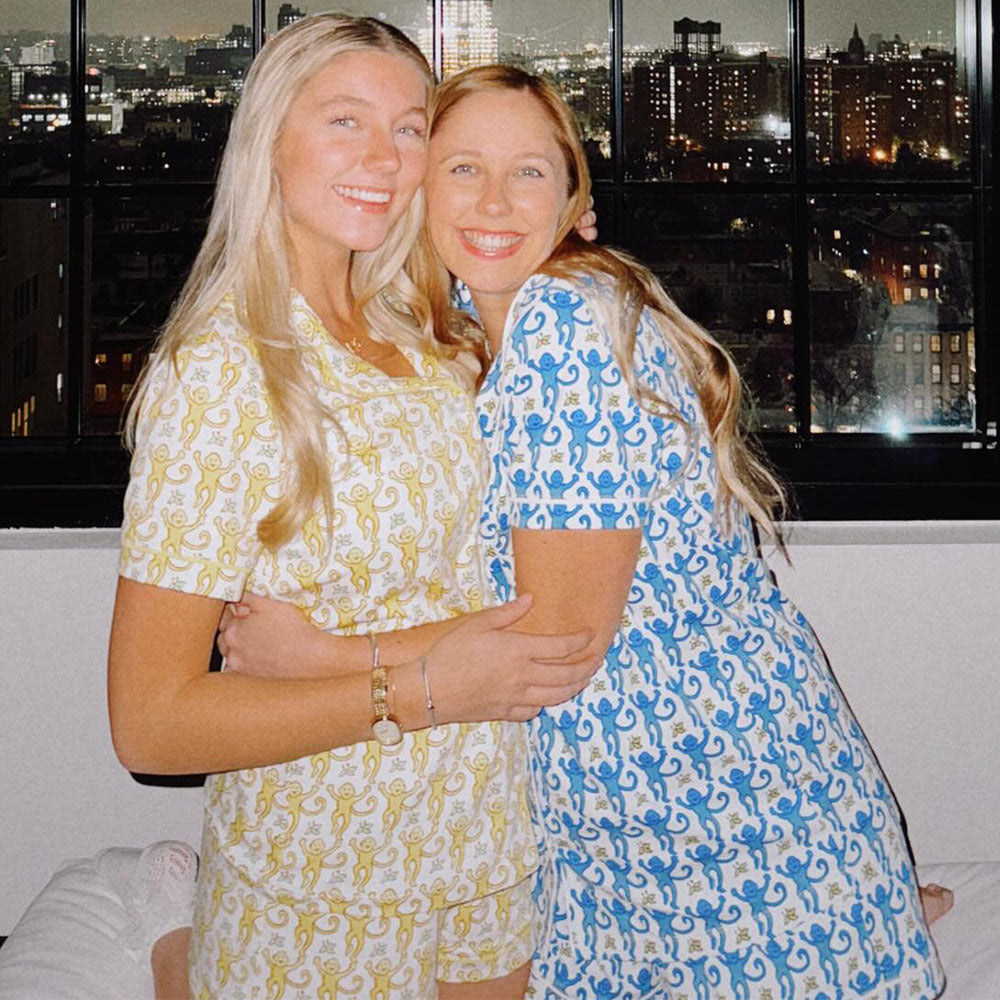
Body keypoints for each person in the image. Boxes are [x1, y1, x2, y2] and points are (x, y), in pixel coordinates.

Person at [222, 65, 948, 998]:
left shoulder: (562, 325)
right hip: (640, 824)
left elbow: (556, 641)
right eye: (462, 168)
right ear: (420, 190)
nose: (494, 201)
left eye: (529, 172)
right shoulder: (482, 326)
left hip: (714, 823)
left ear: (573, 198)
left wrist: (319, 656)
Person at [107, 17, 603, 1000]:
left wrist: (556, 239)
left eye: (410, 128)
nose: (384, 157)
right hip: (321, 880)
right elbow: (149, 724)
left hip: (489, 838)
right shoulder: (221, 374)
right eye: (345, 121)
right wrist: (411, 690)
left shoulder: (420, 332)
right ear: (271, 140)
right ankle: (175, 942)